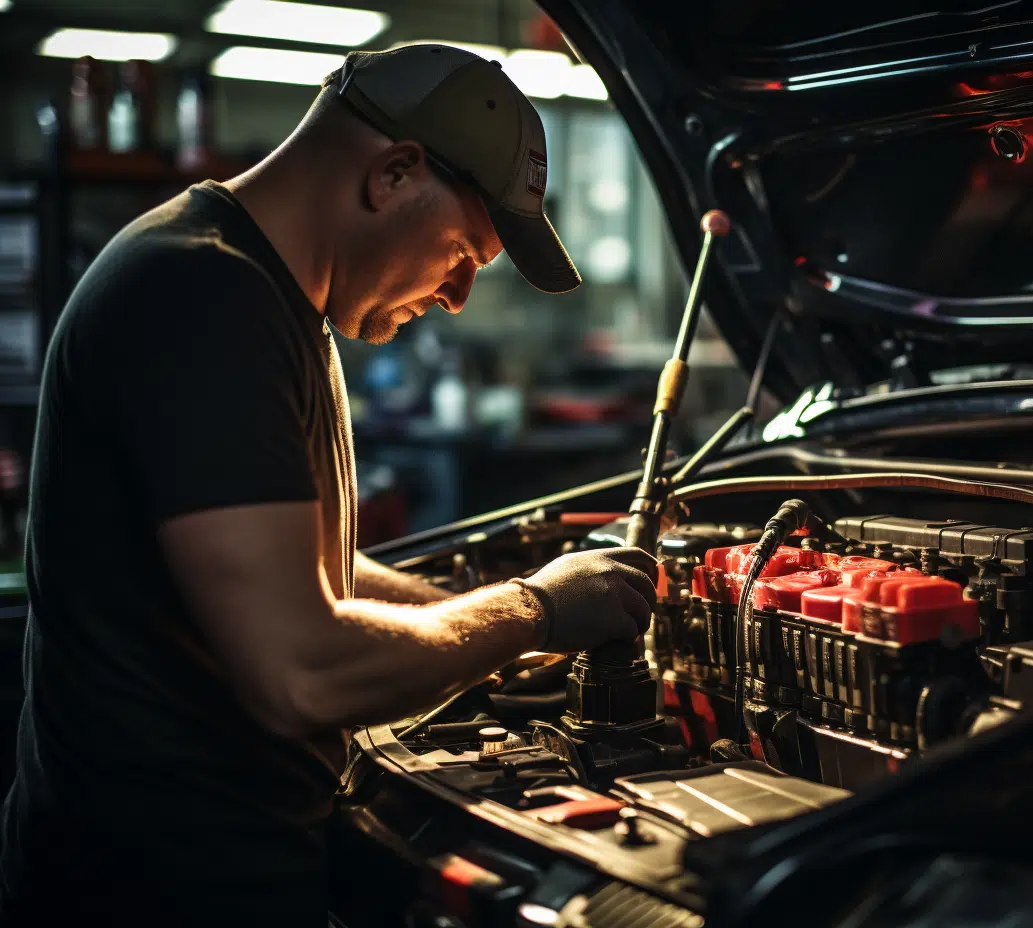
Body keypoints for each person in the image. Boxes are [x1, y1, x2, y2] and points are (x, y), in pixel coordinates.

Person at [0, 44, 658, 925]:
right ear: (393, 173)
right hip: (155, 887)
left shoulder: (270, 296)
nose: (461, 295)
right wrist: (532, 611)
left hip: (220, 860)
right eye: (465, 250)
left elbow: (312, 572)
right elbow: (302, 670)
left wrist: (466, 616)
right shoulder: (198, 297)